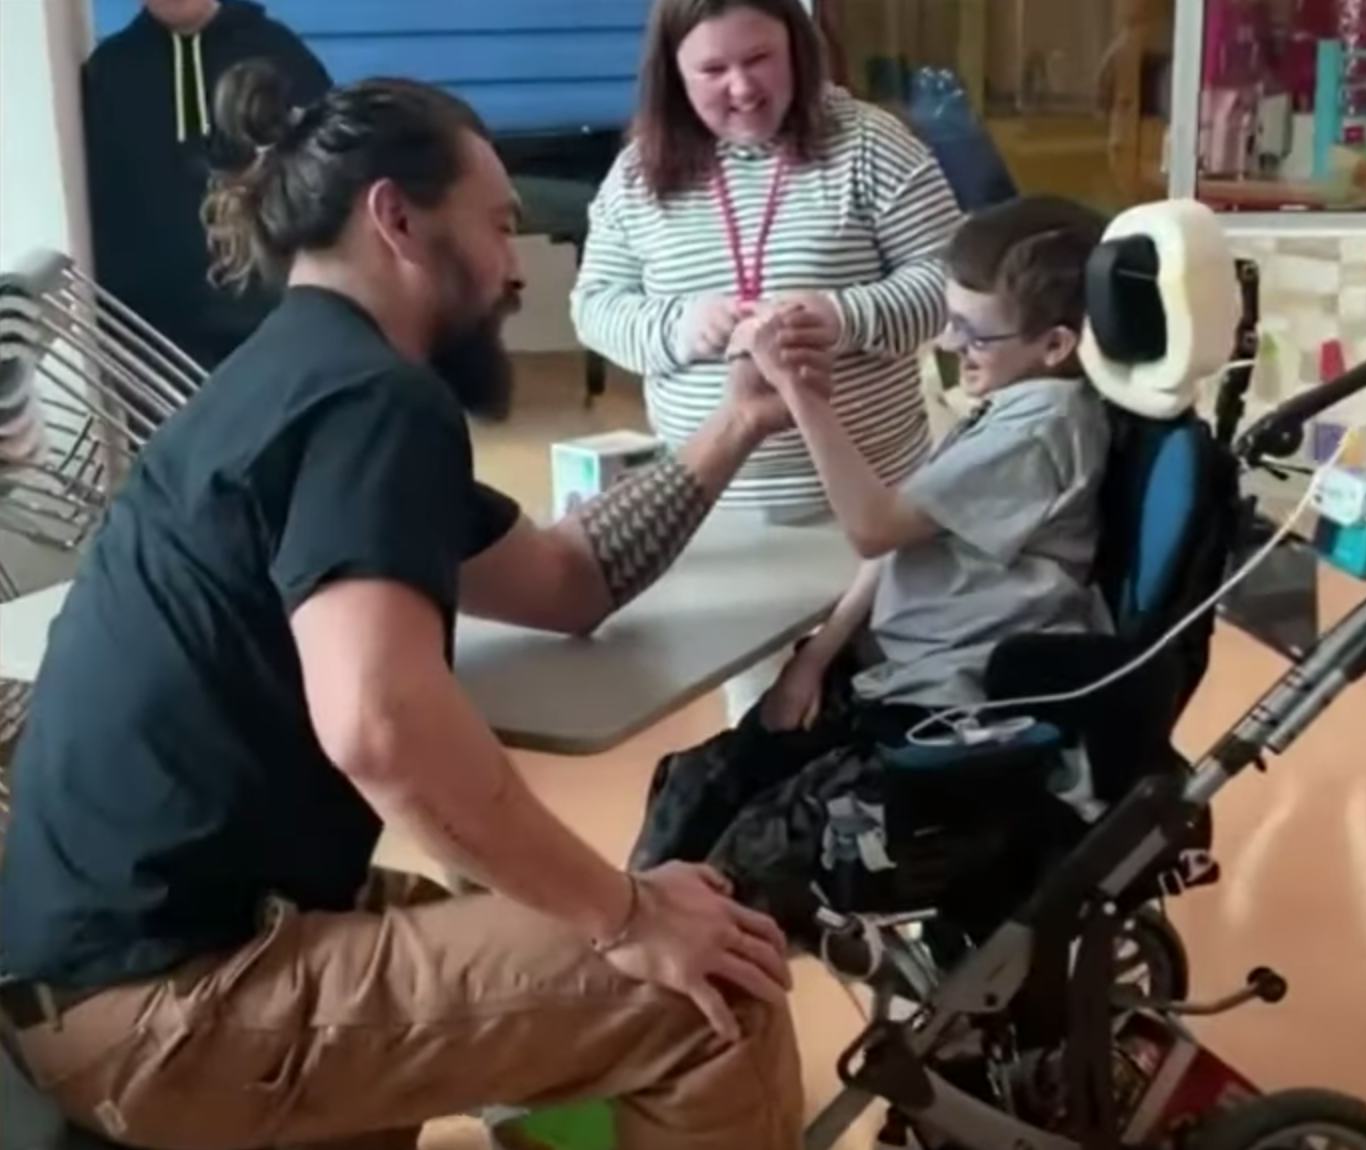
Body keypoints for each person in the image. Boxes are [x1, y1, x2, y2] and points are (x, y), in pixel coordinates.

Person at [0, 67, 837, 1150]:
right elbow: (380, 725)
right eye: (496, 226)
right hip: (170, 1002)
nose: (513, 270)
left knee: (572, 921)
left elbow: (563, 578)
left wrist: (735, 422)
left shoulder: (285, 380)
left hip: (112, 962)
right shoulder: (372, 403)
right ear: (395, 216)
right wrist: (626, 915)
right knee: (709, 994)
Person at [629, 197, 1115, 934]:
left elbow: (871, 525)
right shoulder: (1007, 406)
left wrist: (797, 390)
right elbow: (900, 537)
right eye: (951, 320)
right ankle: (622, 955)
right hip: (891, 674)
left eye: (974, 331)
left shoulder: (1045, 428)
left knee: (741, 870)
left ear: (1054, 345)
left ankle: (666, 978)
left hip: (953, 710)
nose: (954, 344)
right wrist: (813, 658)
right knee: (695, 785)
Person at [571, 0, 962, 718]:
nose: (743, 89)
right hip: (722, 519)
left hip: (873, 514)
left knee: (891, 704)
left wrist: (843, 316)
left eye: (760, 61)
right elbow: (594, 305)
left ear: (799, 51)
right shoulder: (638, 173)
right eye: (713, 70)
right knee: (762, 725)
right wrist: (679, 327)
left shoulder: (874, 145)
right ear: (673, 76)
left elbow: (951, 286)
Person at [82, 0, 330, 371]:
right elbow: (100, 202)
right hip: (153, 339)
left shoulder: (278, 55)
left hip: (269, 324)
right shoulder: (110, 71)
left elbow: (324, 176)